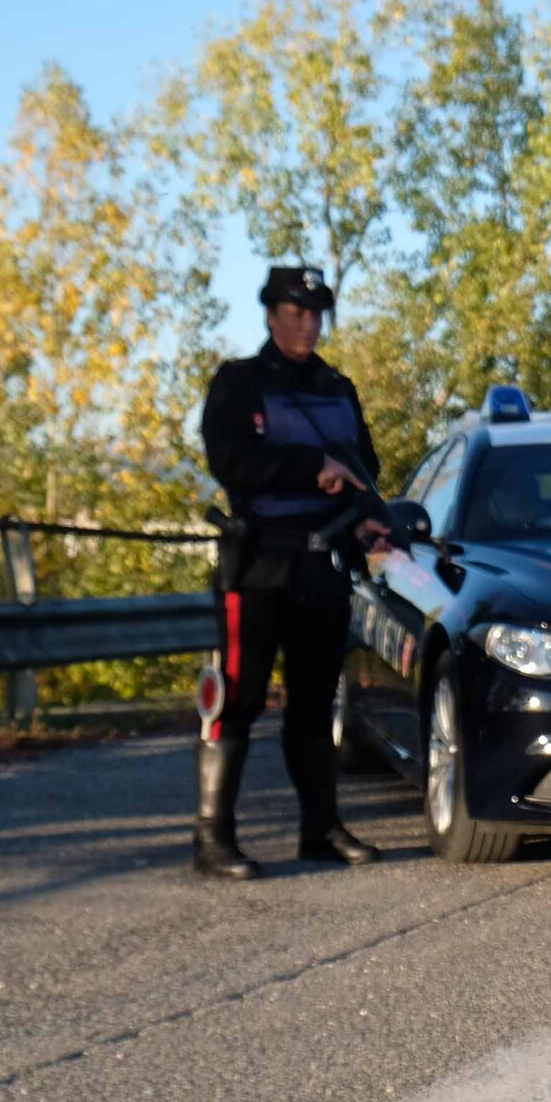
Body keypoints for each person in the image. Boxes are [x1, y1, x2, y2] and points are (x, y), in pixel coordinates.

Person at [192, 264, 385, 881]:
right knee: (240, 698)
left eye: (315, 313)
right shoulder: (239, 382)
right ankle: (213, 837)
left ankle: (319, 830)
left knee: (313, 703)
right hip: (259, 564)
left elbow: (365, 468)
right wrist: (311, 467)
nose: (306, 324)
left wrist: (368, 517)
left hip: (323, 563)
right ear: (271, 315)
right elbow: (232, 462)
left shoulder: (339, 387)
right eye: (294, 312)